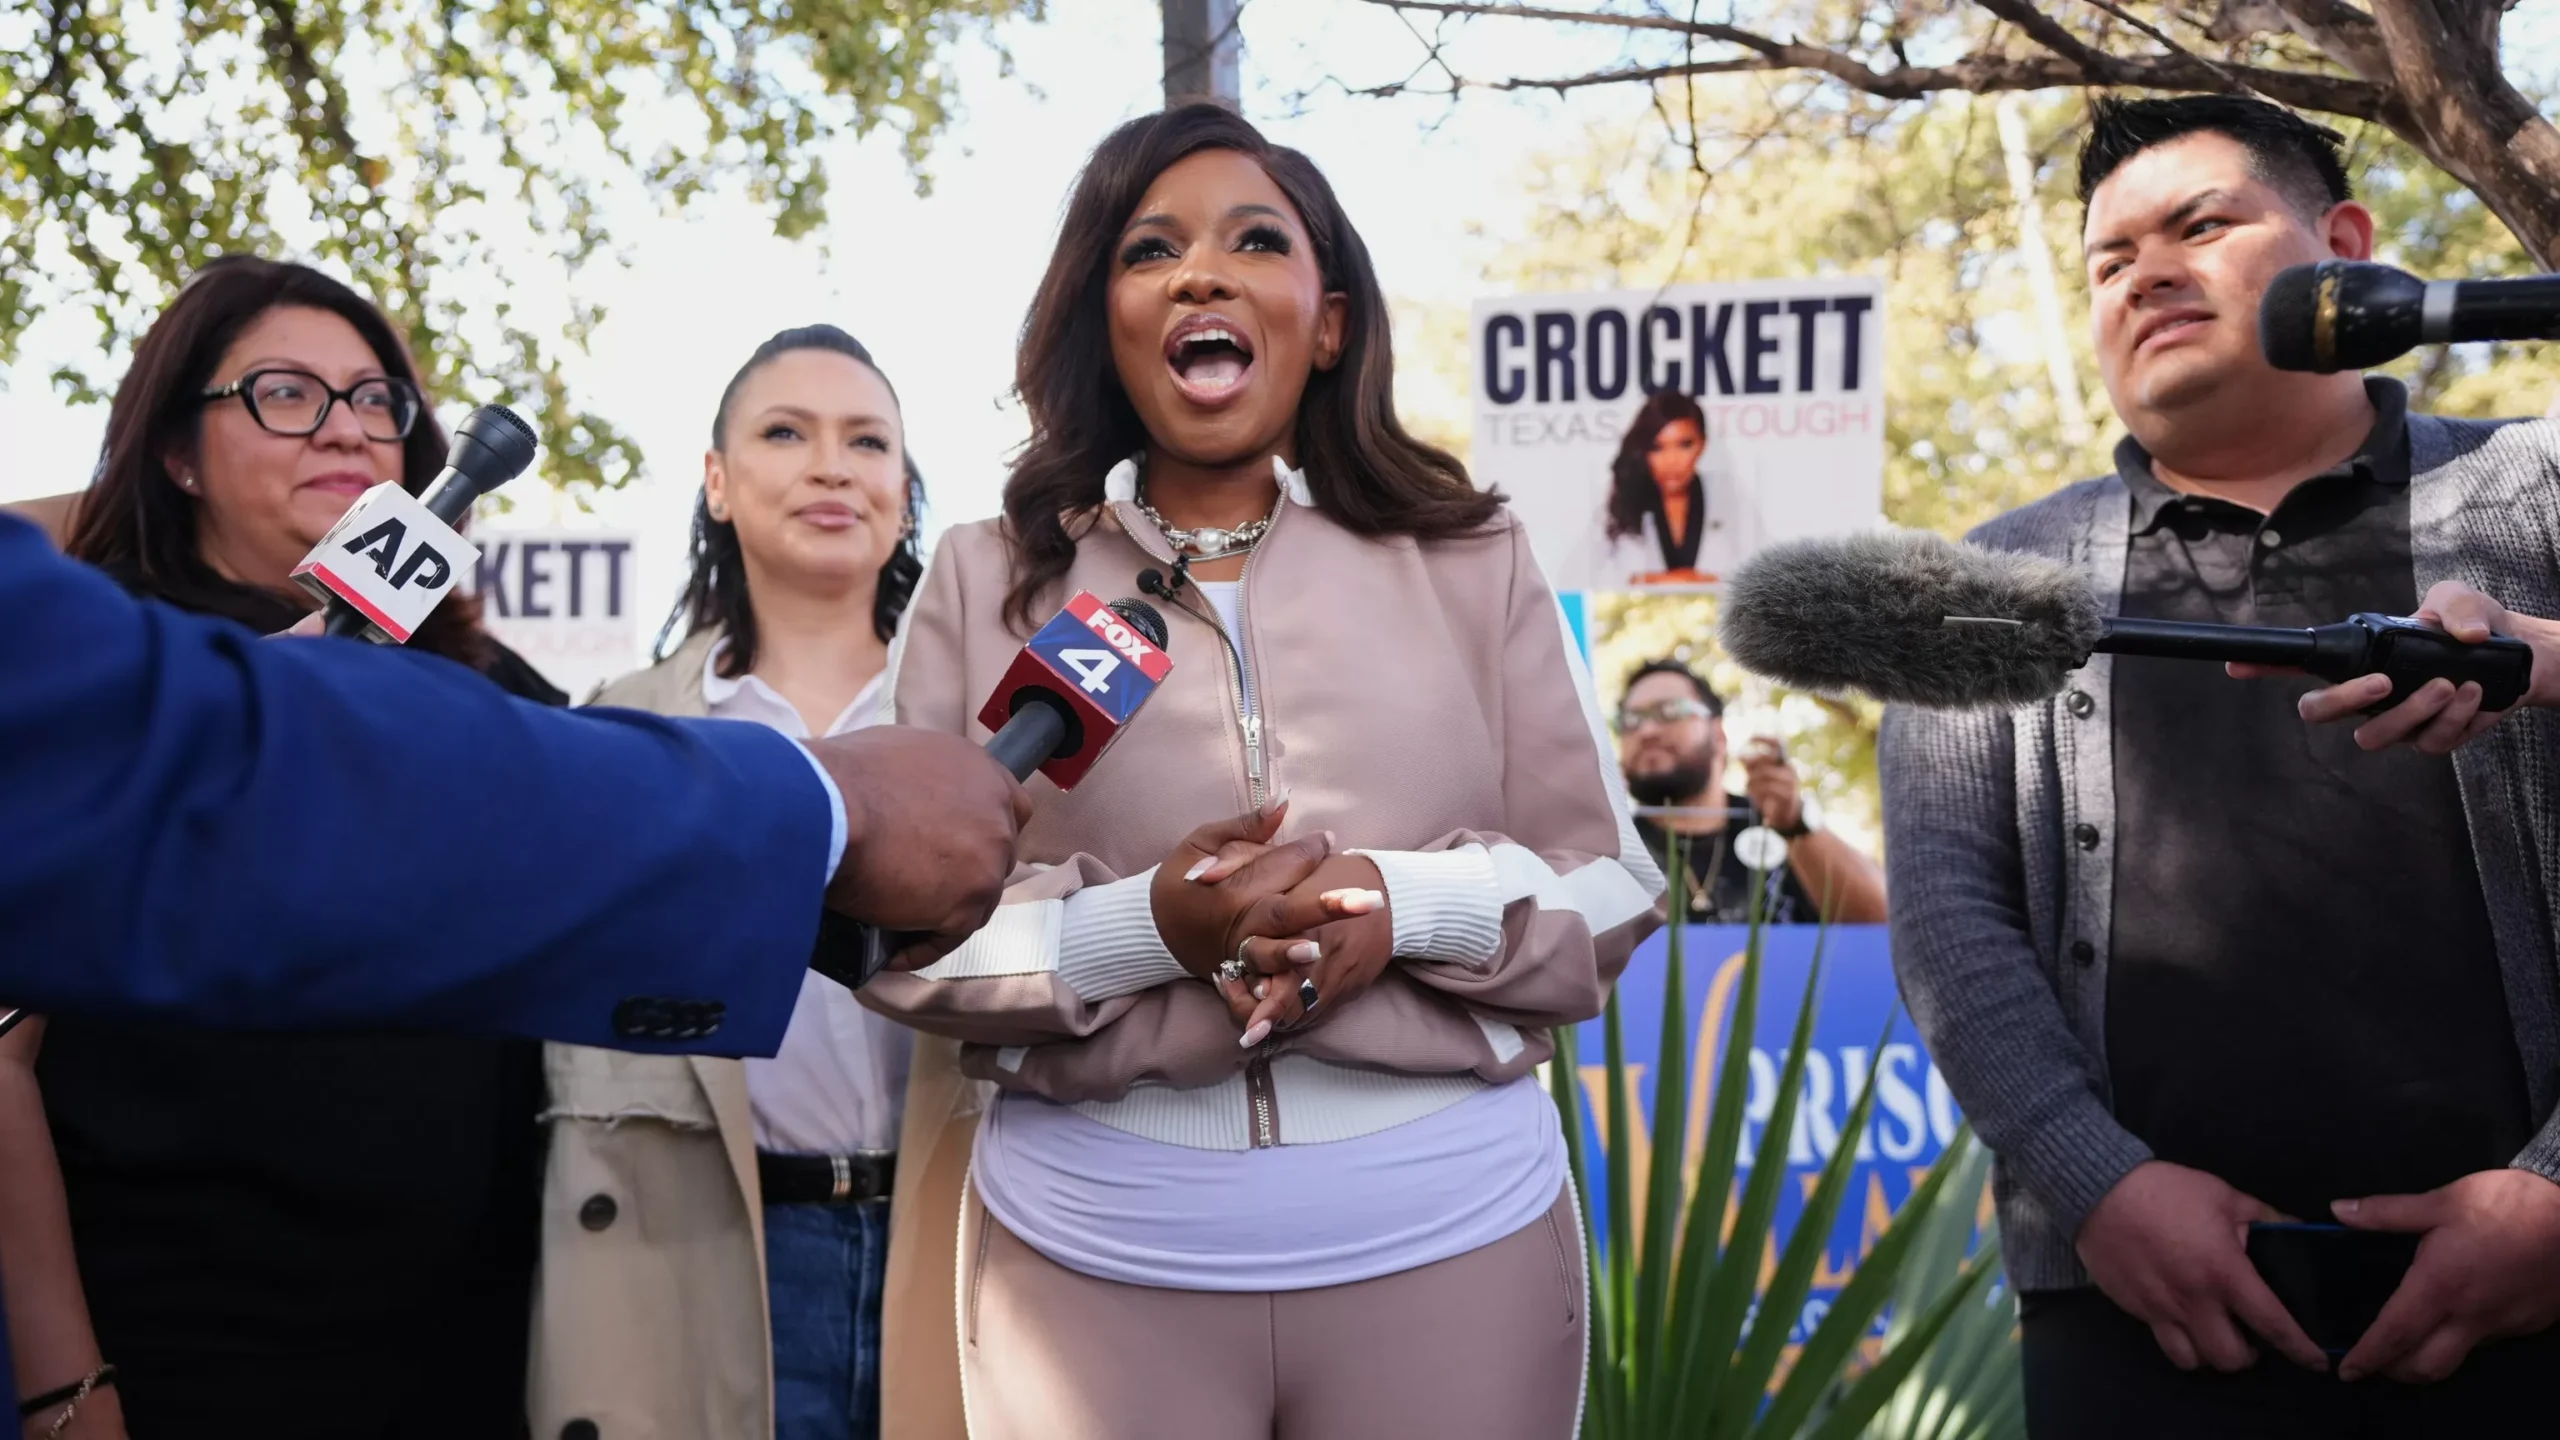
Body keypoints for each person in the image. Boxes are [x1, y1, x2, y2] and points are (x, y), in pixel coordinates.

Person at [861, 104, 1663, 1440]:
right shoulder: (982, 579)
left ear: (1327, 321)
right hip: (1091, 1260)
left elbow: (1617, 888)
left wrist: (1403, 907)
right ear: (1104, 321)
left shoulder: (1474, 557)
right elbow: (899, 941)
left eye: (1253, 242)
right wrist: (1148, 931)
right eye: (1150, 250)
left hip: (1456, 1235)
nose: (1200, 275)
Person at [1879, 95, 2560, 1440]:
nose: (2145, 274)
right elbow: (1951, 922)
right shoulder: (1988, 583)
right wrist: (2098, 1186)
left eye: (2199, 225)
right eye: (2109, 259)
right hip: (2144, 1320)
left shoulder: (2533, 498)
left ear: (2346, 251)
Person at [0, 255, 578, 1437]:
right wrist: (66, 1387)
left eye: (376, 399)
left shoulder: (499, 692)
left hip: (470, 1365)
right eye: (284, 393)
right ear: (177, 451)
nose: (347, 428)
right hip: (174, 1362)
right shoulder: (106, 675)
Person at [531, 325, 926, 1440]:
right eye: (786, 433)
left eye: (868, 441)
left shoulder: (986, 717)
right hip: (702, 1258)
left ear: (905, 494)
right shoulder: (620, 729)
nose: (832, 467)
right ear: (716, 481)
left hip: (953, 1256)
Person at [1618, 658, 1885, 925]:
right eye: (1631, 720)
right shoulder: (1612, 848)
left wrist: (1796, 823)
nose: (1647, 731)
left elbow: (1887, 923)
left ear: (1718, 735)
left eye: (1670, 711)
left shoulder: (1786, 831)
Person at [1575, 390, 1763, 587]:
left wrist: (1698, 581)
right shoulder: (1620, 502)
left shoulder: (1729, 496)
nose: (1672, 461)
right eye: (1657, 447)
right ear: (1644, 451)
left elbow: (1760, 575)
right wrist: (1648, 582)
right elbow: (1583, 579)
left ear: (1702, 444)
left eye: (1685, 445)